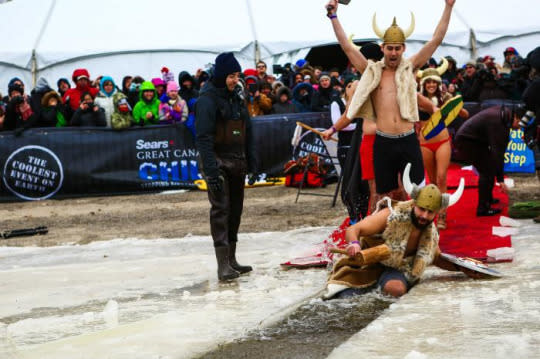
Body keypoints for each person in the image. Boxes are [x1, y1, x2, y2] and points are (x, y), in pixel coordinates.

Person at [325, 0, 456, 201]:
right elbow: (347, 48)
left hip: (408, 140)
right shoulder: (372, 71)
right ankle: (383, 231)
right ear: (382, 48)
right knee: (382, 196)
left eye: (397, 48)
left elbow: (436, 40)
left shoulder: (410, 67)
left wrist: (448, 7)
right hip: (383, 141)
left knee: (414, 195)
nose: (393, 53)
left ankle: (418, 230)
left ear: (403, 48)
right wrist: (334, 17)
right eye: (389, 48)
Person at [324, 165, 469, 299]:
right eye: (422, 209)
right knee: (344, 297)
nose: (424, 215)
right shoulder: (391, 214)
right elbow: (354, 229)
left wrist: (464, 269)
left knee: (396, 289)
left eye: (430, 212)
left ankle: (384, 285)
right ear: (414, 204)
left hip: (396, 269)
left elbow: (436, 258)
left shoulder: (430, 233)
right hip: (367, 264)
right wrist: (354, 243)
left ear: (436, 213)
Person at [195, 52, 257, 281]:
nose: (235, 80)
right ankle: (222, 265)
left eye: (237, 75)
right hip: (217, 161)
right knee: (221, 210)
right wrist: (211, 171)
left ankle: (232, 259)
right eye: (231, 75)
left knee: (235, 211)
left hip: (237, 161)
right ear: (221, 75)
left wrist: (252, 162)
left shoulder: (237, 98)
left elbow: (248, 131)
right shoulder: (207, 100)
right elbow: (203, 138)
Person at [416, 58, 469, 229]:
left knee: (441, 177)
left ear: (438, 83)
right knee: (431, 182)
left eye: (434, 81)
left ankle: (442, 217)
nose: (431, 84)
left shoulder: (446, 96)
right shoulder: (417, 99)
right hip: (424, 144)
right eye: (428, 81)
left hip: (442, 141)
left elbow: (465, 114)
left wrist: (456, 107)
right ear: (423, 84)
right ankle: (431, 213)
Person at [453, 105, 522, 216]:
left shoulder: (504, 115)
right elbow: (498, 153)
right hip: (466, 141)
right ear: (515, 117)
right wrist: (501, 180)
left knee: (489, 166)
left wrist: (500, 177)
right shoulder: (498, 122)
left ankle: (488, 199)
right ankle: (482, 208)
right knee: (487, 171)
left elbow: (499, 151)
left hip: (475, 140)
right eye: (519, 124)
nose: (519, 128)